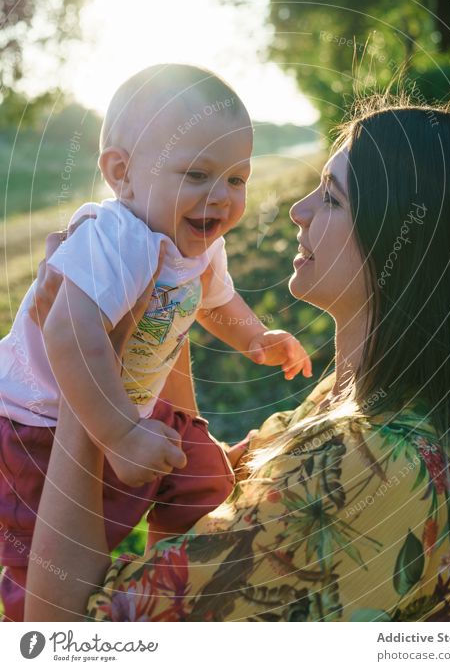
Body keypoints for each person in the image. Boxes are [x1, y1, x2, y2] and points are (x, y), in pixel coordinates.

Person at [24, 96, 450, 622]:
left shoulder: (369, 467)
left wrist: (88, 375)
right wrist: (160, 300)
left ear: (408, 247)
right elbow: (205, 498)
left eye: (332, 199)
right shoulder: (355, 405)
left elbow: (63, 635)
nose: (299, 210)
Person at [0, 63, 311, 621]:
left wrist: (257, 338)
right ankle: (38, 628)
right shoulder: (117, 237)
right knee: (52, 545)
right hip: (36, 425)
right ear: (122, 173)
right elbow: (69, 331)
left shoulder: (197, 241)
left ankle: (168, 578)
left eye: (236, 179)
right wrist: (118, 432)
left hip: (136, 408)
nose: (220, 197)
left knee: (203, 477)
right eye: (196, 173)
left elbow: (215, 303)